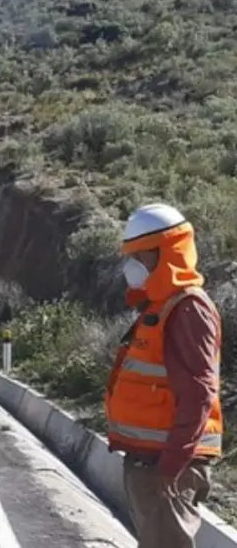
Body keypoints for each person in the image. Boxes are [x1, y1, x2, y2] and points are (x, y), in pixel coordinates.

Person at [105, 202, 224, 548]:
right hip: (151, 464)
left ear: (166, 254)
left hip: (167, 467)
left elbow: (199, 393)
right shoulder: (160, 306)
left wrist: (171, 465)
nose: (132, 266)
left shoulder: (188, 308)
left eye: (140, 256)